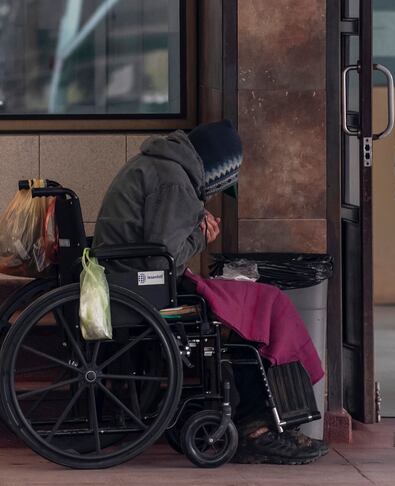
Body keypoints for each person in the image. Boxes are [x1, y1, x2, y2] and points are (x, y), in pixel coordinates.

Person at [93, 120, 327, 465]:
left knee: (255, 304)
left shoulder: (161, 166)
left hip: (129, 278)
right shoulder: (175, 182)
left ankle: (257, 420)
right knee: (260, 309)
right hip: (141, 286)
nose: (212, 195)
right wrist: (200, 236)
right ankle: (256, 427)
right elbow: (166, 257)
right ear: (213, 170)